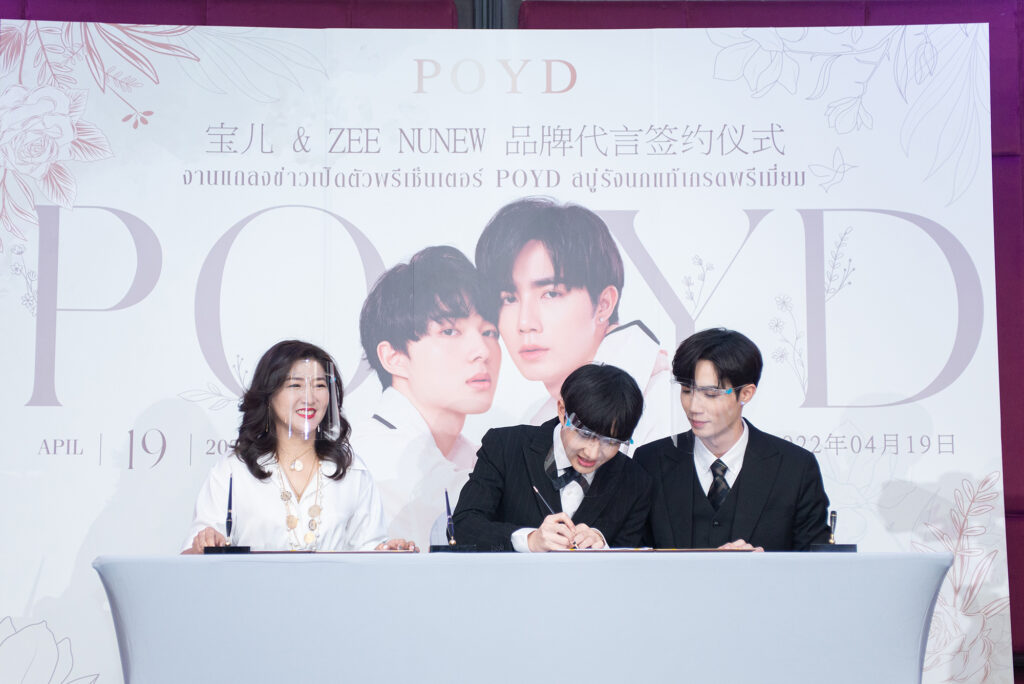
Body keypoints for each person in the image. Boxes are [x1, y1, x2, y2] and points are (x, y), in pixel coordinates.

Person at [183, 340, 416, 553]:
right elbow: (191, 555)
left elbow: (368, 551)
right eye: (295, 385)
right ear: (269, 394)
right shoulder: (234, 470)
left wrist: (386, 551)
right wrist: (204, 543)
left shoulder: (352, 470)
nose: (309, 398)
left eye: (319, 385)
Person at [475, 196, 670, 446]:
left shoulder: (666, 405)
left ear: (604, 304)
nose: (525, 323)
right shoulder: (538, 418)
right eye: (509, 298)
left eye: (550, 294)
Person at [350, 246, 500, 548]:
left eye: (489, 332)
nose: (482, 351)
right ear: (393, 357)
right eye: (450, 332)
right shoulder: (368, 458)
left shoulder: (474, 457)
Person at [634, 328, 831, 551]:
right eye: (687, 390)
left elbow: (818, 562)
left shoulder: (795, 469)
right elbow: (631, 557)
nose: (694, 406)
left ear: (746, 394)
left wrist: (766, 567)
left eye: (710, 394)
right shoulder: (650, 461)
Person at [453, 363, 652, 551]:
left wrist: (603, 546)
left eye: (610, 442)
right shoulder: (505, 446)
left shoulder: (635, 481)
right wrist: (530, 540)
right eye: (585, 434)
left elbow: (633, 561)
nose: (592, 453)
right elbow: (463, 526)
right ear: (562, 411)